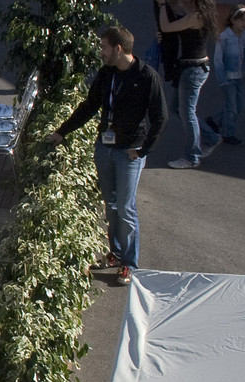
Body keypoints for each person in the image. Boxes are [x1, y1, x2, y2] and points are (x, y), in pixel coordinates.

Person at [45, 25, 167, 284]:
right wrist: (62, 131)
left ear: (118, 49)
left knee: (125, 206)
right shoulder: (107, 74)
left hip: (129, 153)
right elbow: (90, 106)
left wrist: (144, 150)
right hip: (105, 147)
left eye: (104, 47)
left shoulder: (147, 77)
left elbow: (160, 118)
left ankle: (128, 264)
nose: (101, 52)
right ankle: (116, 252)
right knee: (111, 206)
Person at [155, 0, 220, 167]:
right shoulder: (201, 13)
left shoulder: (195, 17)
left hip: (193, 69)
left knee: (187, 112)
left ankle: (192, 156)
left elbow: (167, 27)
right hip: (194, 67)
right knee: (178, 109)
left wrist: (161, 5)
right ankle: (210, 137)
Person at [201, 6, 245, 148]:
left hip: (239, 77)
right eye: (241, 20)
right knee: (232, 108)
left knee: (240, 106)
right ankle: (228, 134)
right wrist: (223, 79)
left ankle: (214, 120)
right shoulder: (224, 38)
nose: (244, 23)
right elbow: (218, 60)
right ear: (233, 20)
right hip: (228, 78)